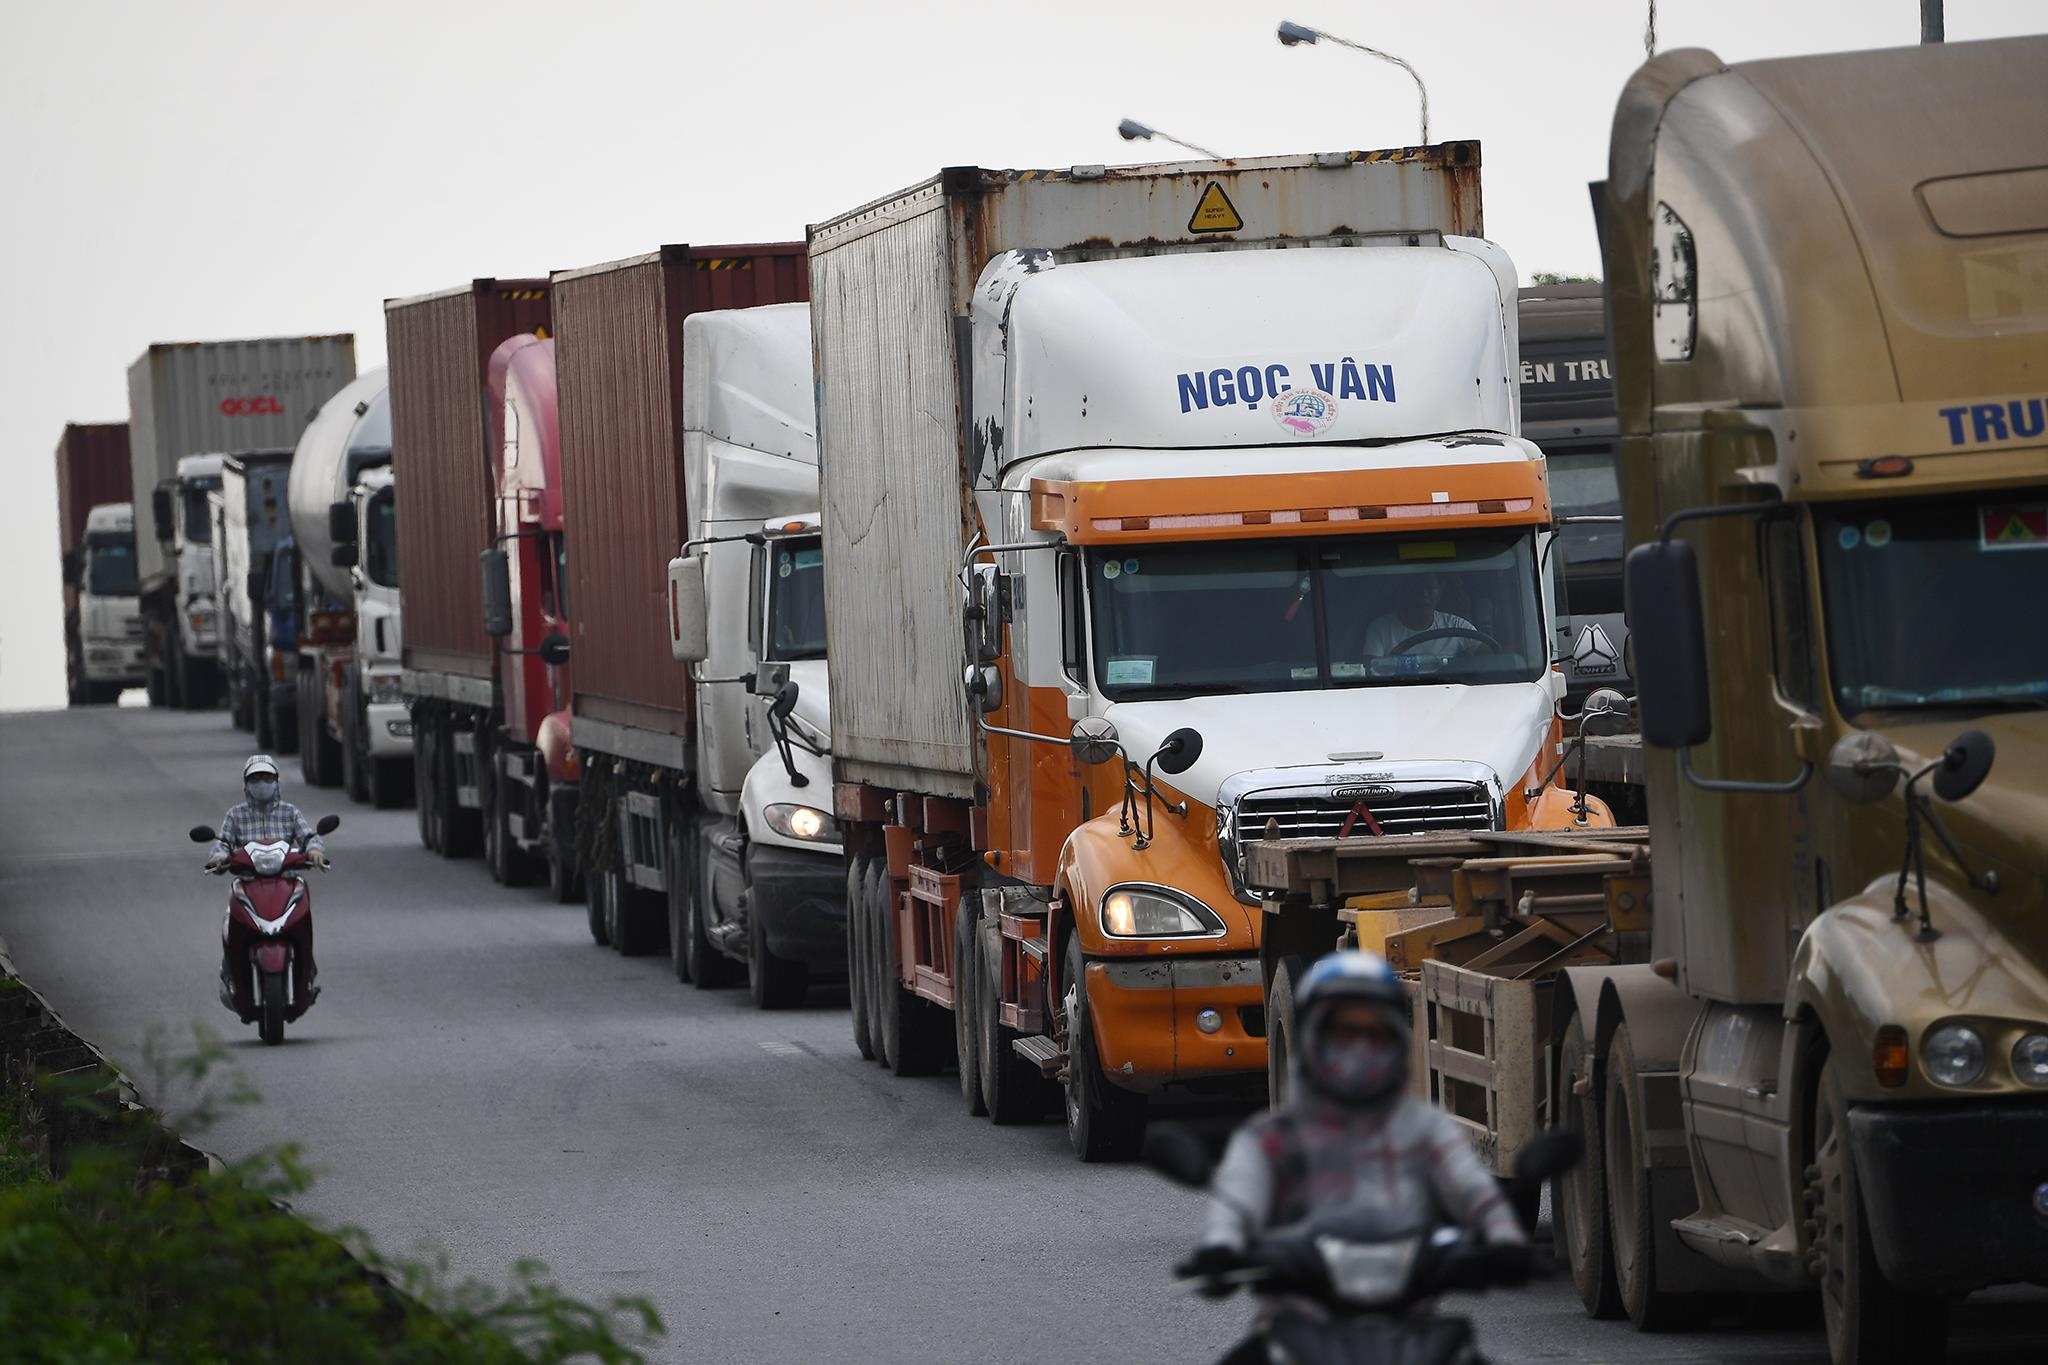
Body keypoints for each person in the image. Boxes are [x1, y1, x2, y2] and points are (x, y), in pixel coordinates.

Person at [1179, 952, 1528, 1314]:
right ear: (1313, 1038)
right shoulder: (1271, 1136)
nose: (1359, 1051)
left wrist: (1504, 1237)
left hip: (1408, 1320)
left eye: (1373, 1035)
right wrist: (1221, 1248)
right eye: (1343, 1034)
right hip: (1302, 1320)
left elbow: (1472, 1187)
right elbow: (1237, 1198)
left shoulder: (1425, 1128)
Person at [209, 755, 327, 1003]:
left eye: (266, 777)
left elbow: (309, 837)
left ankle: (307, 970)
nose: (261, 783)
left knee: (303, 918)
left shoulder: (290, 812)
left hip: (286, 882)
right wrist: (218, 859)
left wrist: (315, 851)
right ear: (246, 784)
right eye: (255, 778)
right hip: (248, 884)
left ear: (276, 781)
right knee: (230, 925)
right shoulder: (235, 815)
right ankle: (231, 971)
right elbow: (222, 844)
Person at [1361, 571, 1480, 658]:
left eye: (1429, 588)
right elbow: (1371, 669)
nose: (1424, 595)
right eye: (1416, 589)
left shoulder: (1456, 626)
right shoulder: (1381, 628)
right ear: (1404, 593)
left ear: (1439, 592)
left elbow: (1488, 654)